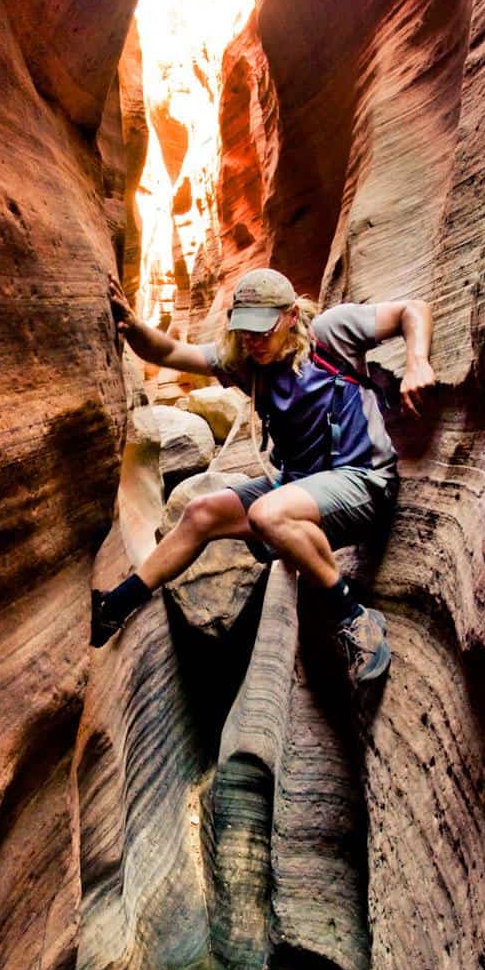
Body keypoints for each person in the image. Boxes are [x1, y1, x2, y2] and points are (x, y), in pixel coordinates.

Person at [94, 266, 435, 683]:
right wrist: (133, 327)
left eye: (262, 331)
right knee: (201, 513)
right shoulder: (243, 359)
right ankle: (115, 606)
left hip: (362, 481)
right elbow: (169, 353)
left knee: (268, 514)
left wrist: (417, 362)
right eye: (244, 331)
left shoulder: (331, 333)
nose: (253, 341)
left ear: (291, 316)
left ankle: (355, 618)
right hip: (299, 486)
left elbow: (413, 310)